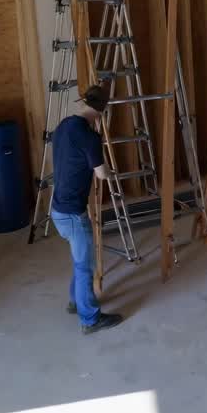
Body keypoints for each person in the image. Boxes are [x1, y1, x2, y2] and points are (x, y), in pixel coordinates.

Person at [51, 86, 123, 335]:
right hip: (72, 213)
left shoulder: (64, 126)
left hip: (58, 208)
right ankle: (90, 320)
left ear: (83, 102)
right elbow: (101, 174)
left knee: (79, 259)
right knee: (85, 265)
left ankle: (76, 301)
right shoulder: (89, 137)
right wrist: (112, 172)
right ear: (102, 112)